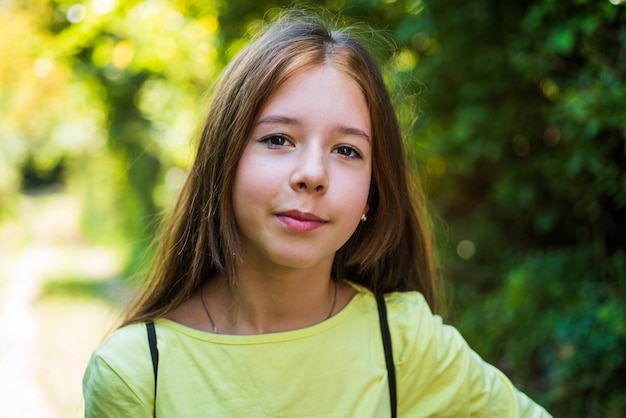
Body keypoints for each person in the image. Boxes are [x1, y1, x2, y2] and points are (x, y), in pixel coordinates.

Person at [83, 9, 552, 417]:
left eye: (346, 150)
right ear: (223, 162)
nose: (312, 174)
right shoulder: (136, 371)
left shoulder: (406, 345)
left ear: (373, 193)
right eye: (278, 139)